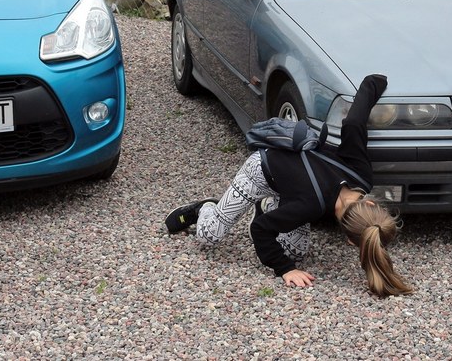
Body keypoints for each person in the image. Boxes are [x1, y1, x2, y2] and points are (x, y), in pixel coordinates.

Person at [164, 74, 413, 298]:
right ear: (348, 241)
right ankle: (205, 209)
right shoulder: (312, 204)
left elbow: (353, 124)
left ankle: (269, 206)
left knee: (295, 252)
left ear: (370, 203)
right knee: (210, 235)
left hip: (293, 190)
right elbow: (262, 230)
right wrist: (285, 270)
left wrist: (373, 81)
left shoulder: (361, 176)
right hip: (260, 171)